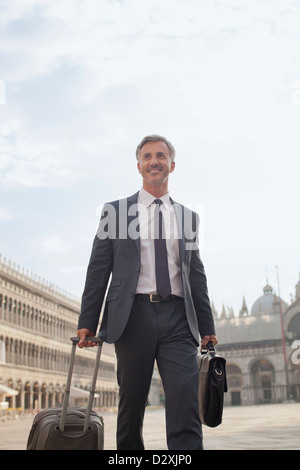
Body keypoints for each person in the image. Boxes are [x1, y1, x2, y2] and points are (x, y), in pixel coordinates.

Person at [76, 135, 218, 450]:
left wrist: (207, 328)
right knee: (132, 403)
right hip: (132, 316)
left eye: (161, 156)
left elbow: (195, 274)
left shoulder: (187, 218)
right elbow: (99, 269)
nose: (154, 161)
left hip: (179, 319)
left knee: (184, 399)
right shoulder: (115, 212)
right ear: (139, 165)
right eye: (147, 156)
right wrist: (88, 319)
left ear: (172, 164)